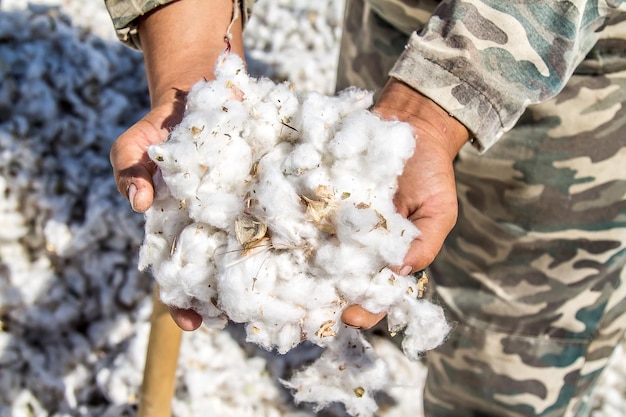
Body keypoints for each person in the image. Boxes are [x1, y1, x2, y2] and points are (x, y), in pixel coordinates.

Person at [104, 0, 626, 415]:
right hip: (393, 31)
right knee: (383, 279)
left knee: (509, 359)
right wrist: (193, 56)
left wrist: (434, 105)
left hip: (572, 79)